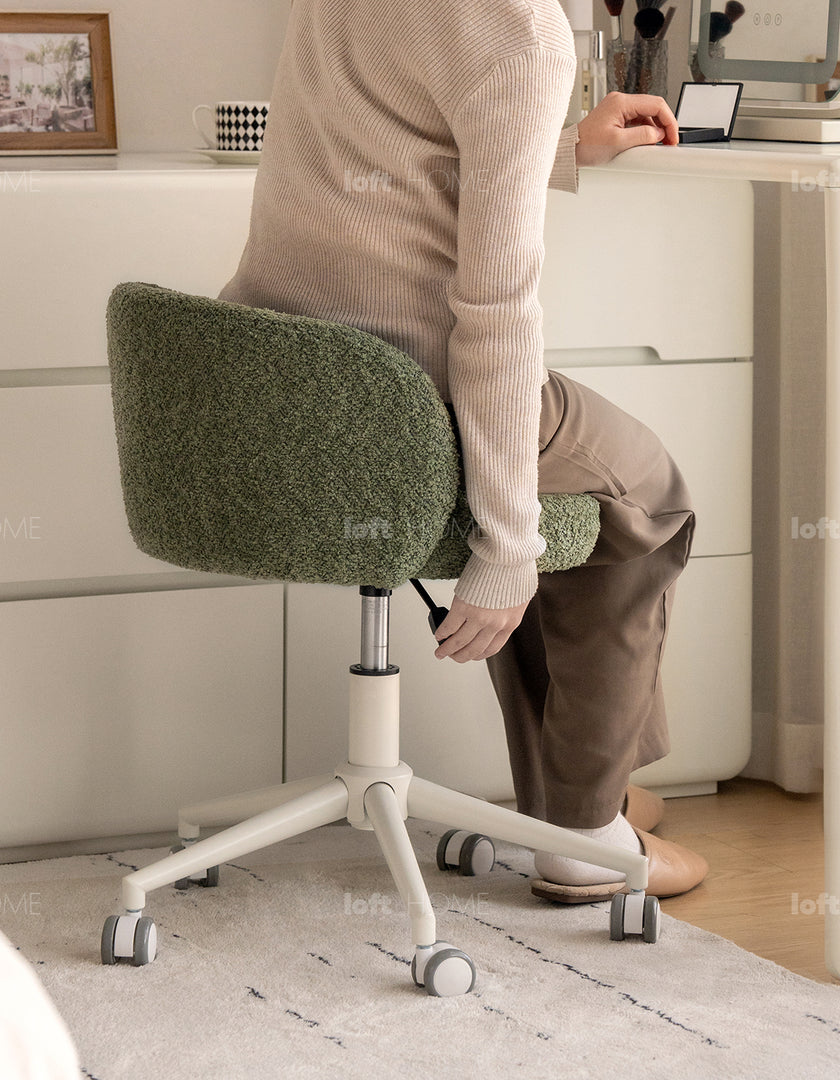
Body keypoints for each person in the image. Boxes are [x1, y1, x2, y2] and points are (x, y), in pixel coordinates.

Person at [220, 0, 708, 900]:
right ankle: (583, 832)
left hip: (284, 380)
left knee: (569, 494)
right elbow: (493, 315)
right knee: (645, 490)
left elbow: (391, 162)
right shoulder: (520, 30)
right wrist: (506, 549)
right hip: (410, 392)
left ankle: (578, 793)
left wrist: (561, 150)